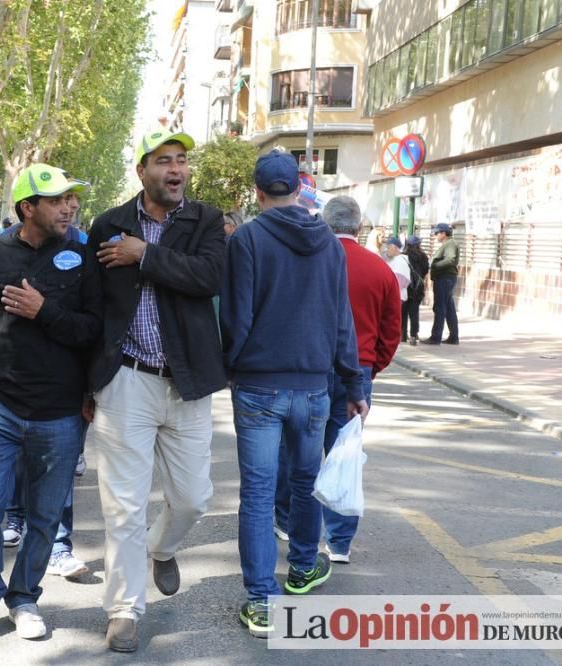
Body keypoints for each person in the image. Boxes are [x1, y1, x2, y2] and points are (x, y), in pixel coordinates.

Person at [86, 129, 225, 653]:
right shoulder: (109, 225)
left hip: (188, 381)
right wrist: (89, 383)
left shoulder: (205, 221)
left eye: (182, 161)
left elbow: (209, 276)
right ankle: (123, 609)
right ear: (142, 170)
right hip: (125, 380)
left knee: (193, 499)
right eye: (164, 160)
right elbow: (96, 307)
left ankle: (162, 547)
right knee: (123, 504)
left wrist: (144, 255)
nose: (176, 169)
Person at [220, 152, 367, 638]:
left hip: (259, 387)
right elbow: (341, 318)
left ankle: (262, 601)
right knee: (305, 484)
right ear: (300, 188)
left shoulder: (246, 239)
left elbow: (237, 316)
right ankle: (303, 568)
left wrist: (229, 365)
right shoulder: (329, 241)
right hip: (314, 388)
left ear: (258, 193)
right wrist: (355, 382)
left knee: (260, 495)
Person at [0, 163, 101, 643]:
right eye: (59, 199)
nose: (71, 206)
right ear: (28, 208)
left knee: (45, 515)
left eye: (72, 198)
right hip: (0, 408)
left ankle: (23, 598)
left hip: (61, 414)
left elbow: (93, 331)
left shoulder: (83, 257)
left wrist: (45, 311)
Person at [275, 195, 398, 569]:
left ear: (324, 225)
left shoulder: (311, 263)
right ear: (359, 228)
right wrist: (369, 370)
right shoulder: (380, 270)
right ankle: (340, 541)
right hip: (356, 372)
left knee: (297, 450)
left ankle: (287, 522)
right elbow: (391, 333)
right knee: (344, 454)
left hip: (310, 367)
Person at [421, 222, 460, 345]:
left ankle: (435, 337)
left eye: (437, 233)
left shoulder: (450, 244)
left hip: (445, 278)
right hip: (445, 278)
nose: (435, 235)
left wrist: (434, 265)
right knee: (449, 309)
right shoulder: (447, 244)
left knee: (440, 308)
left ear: (444, 233)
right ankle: (453, 337)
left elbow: (450, 259)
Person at [403, 235, 430, 345]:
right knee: (414, 312)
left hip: (406, 286)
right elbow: (425, 271)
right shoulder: (423, 256)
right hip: (418, 287)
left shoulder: (404, 256)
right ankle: (414, 335)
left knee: (403, 312)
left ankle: (402, 335)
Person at [384, 237, 412, 302]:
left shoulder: (400, 261)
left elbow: (399, 284)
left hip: (397, 297)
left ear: (395, 248)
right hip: (395, 296)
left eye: (388, 247)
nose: (386, 250)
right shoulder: (394, 259)